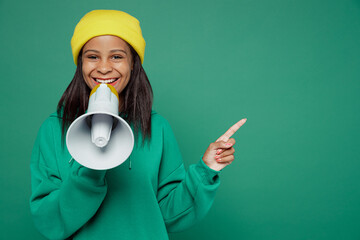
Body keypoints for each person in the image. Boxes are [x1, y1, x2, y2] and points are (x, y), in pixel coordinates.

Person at [29, 10, 246, 240]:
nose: (103, 68)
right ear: (80, 62)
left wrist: (206, 170)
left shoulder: (156, 127)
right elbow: (50, 222)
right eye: (92, 56)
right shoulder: (54, 129)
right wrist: (90, 168)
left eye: (116, 57)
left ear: (133, 63)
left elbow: (169, 214)